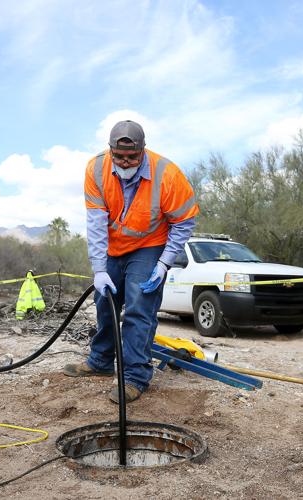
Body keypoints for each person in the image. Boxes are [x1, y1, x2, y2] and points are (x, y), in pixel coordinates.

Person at [63, 120, 198, 404]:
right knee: (106, 302)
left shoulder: (168, 175)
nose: (125, 162)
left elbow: (184, 222)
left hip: (149, 245)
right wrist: (99, 269)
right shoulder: (96, 169)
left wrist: (163, 263)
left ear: (143, 150)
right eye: (119, 156)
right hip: (114, 245)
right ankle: (100, 360)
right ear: (110, 149)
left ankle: (135, 376)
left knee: (138, 306)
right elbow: (96, 222)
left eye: (132, 157)